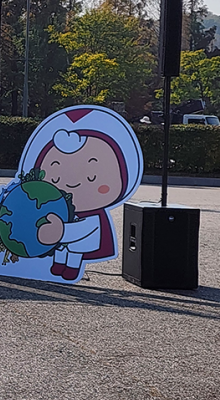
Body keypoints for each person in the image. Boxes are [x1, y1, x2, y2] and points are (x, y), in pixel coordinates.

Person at [22, 106, 143, 281]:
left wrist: (62, 230)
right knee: (61, 247)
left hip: (82, 236)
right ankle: (58, 263)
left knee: (75, 249)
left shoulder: (92, 216)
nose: (72, 182)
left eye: (92, 176)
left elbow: (82, 230)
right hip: (61, 228)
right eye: (55, 178)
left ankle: (71, 267)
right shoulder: (56, 208)